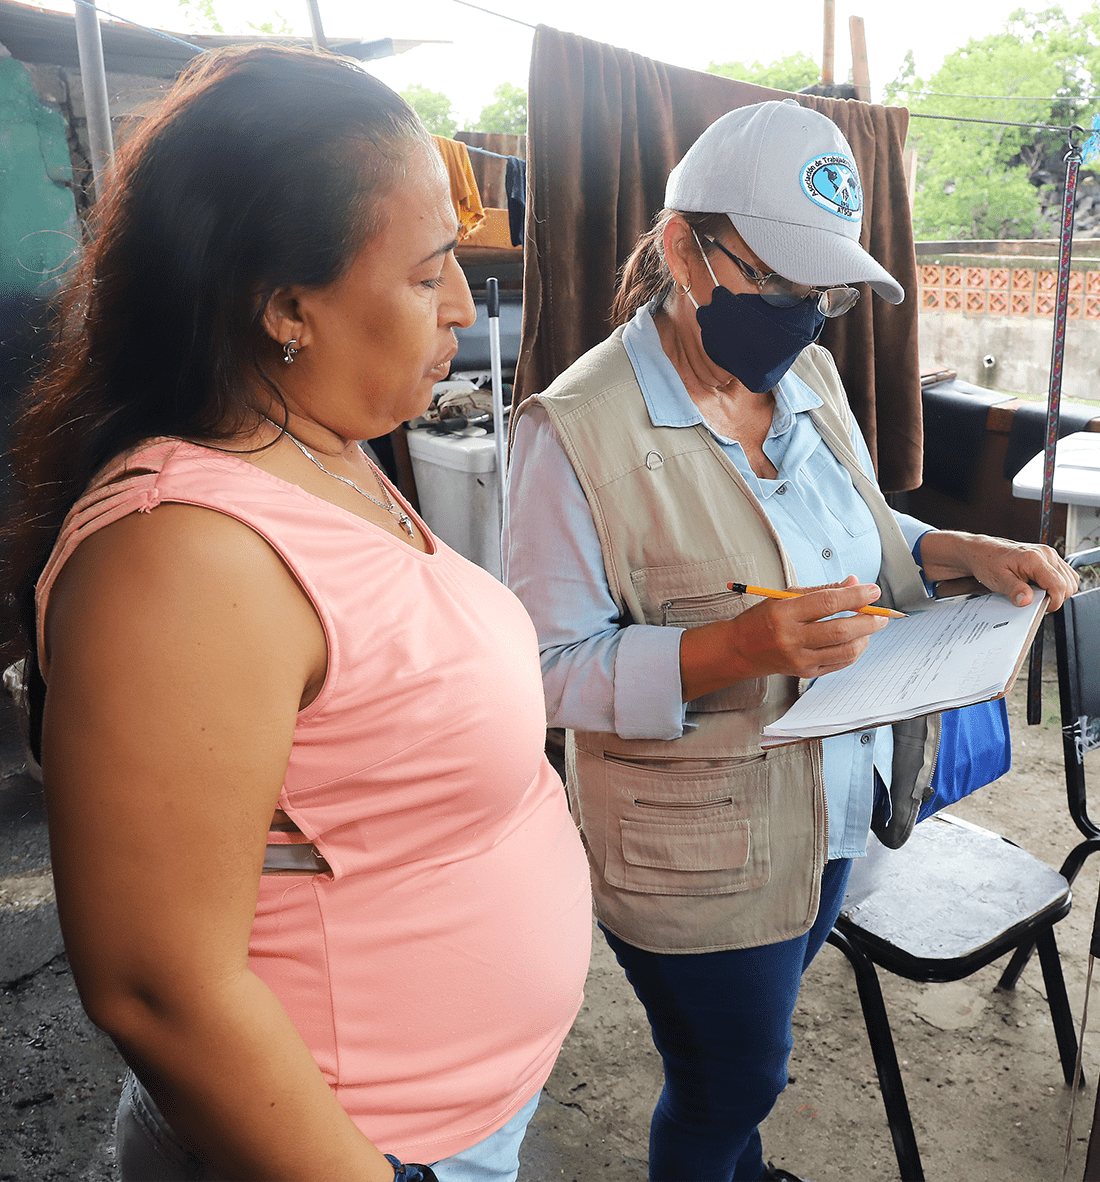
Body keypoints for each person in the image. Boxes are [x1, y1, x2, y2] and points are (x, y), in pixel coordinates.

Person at [4, 47, 591, 1182]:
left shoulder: (326, 449)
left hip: (448, 1118)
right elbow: (157, 986)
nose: (463, 308)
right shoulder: (182, 556)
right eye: (426, 278)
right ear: (285, 309)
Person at [503, 99, 1078, 1182]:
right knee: (728, 1081)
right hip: (699, 850)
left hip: (834, 803)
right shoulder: (572, 432)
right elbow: (540, 673)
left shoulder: (801, 375)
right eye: (772, 283)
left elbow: (857, 526)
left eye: (821, 293)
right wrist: (733, 651)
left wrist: (956, 546)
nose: (800, 315)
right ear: (682, 249)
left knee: (752, 1050)